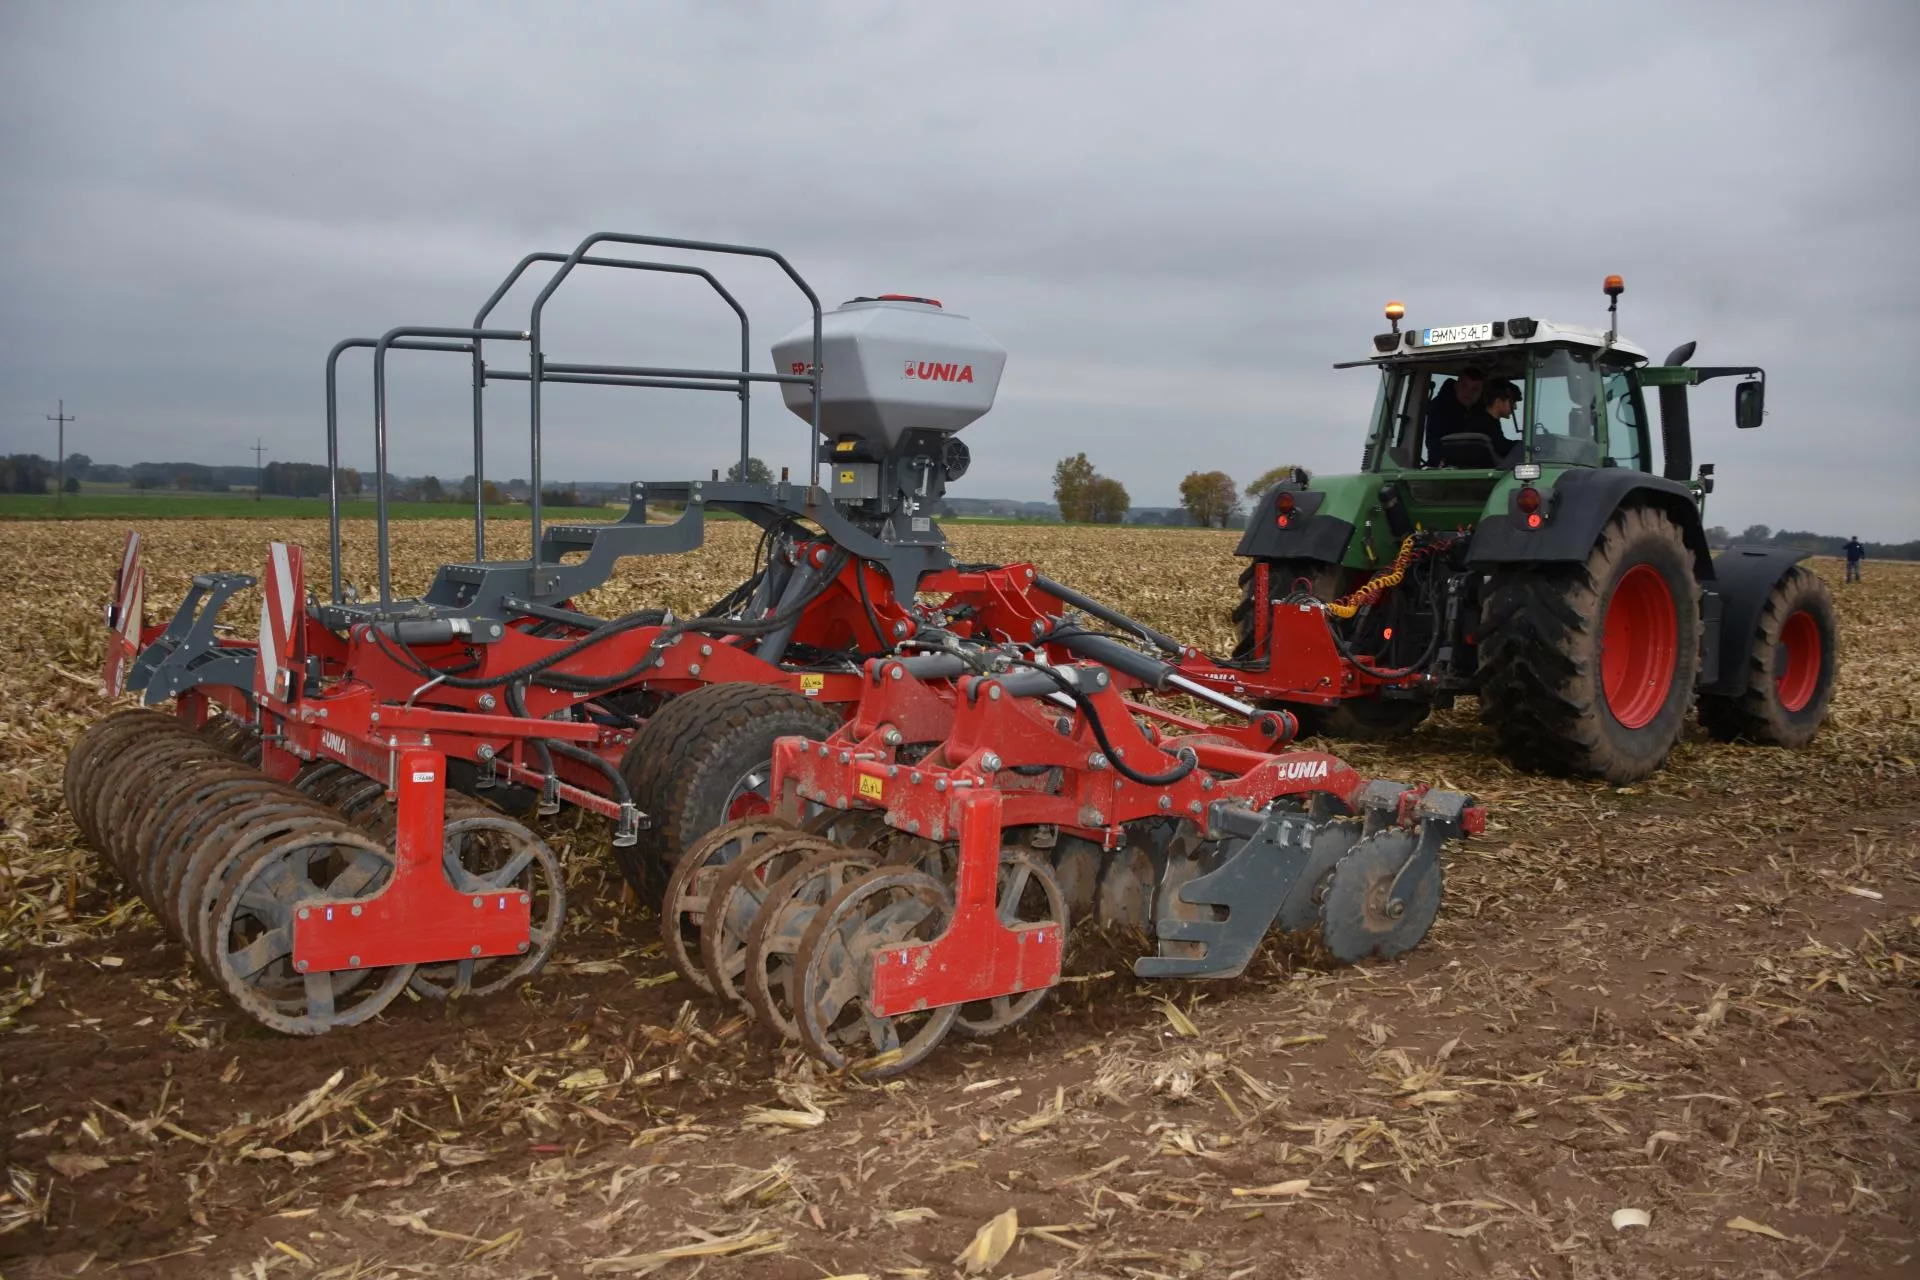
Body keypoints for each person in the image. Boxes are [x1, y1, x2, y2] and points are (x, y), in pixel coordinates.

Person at [1423, 366, 1486, 466]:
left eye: (1475, 389)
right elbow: (1432, 441)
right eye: (1464, 386)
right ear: (1456, 386)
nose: (1468, 393)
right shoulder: (1439, 407)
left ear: (1481, 393)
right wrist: (1441, 462)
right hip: (1444, 470)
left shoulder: (1483, 413)